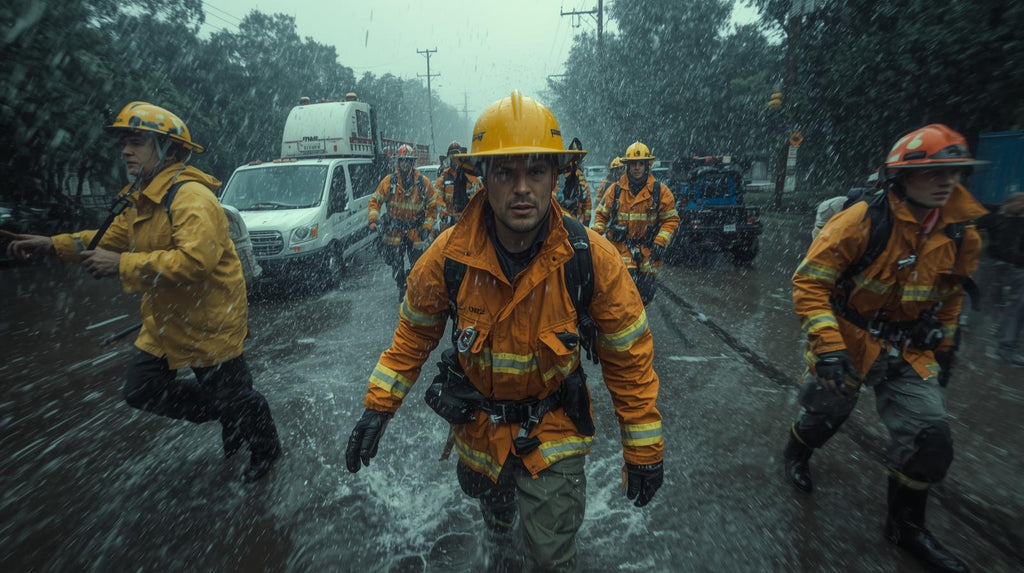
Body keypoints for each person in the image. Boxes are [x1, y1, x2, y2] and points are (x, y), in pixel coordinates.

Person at [345, 90, 664, 571]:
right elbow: (410, 340)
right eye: (505, 172)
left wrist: (642, 446)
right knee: (495, 524)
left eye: (536, 171)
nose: (522, 188)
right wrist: (378, 409)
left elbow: (630, 360)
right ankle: (498, 536)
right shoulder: (447, 259)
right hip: (479, 431)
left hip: (554, 431)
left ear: (556, 176)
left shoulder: (592, 259)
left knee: (550, 557)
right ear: (482, 179)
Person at [6, 101, 281, 483]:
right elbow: (106, 239)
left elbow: (194, 262)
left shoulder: (191, 199)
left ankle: (264, 445)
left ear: (168, 150)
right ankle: (234, 412)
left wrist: (120, 266)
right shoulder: (143, 199)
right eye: (124, 142)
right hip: (165, 322)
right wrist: (51, 244)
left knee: (230, 396)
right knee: (141, 389)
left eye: (136, 142)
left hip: (209, 321)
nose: (125, 151)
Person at [784, 124, 987, 572]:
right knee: (824, 416)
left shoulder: (961, 235)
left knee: (931, 436)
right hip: (846, 343)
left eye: (954, 172)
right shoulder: (862, 220)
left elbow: (951, 297)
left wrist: (947, 347)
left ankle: (906, 526)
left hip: (910, 351)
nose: (946, 181)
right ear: (901, 177)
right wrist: (829, 348)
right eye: (934, 172)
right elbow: (809, 282)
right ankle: (797, 452)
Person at [591, 141, 679, 305]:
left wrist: (660, 241)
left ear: (647, 166)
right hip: (621, 249)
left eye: (641, 163)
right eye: (633, 164)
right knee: (624, 292)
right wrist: (596, 241)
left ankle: (636, 323)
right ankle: (626, 324)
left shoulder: (660, 192)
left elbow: (671, 220)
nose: (637, 167)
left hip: (648, 251)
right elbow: (601, 216)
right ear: (627, 166)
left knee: (645, 294)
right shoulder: (615, 190)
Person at [368, 144, 438, 301]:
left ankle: (413, 288)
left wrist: (427, 227)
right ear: (398, 162)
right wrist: (374, 220)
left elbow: (433, 206)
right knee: (396, 266)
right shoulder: (389, 182)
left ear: (413, 162)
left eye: (408, 161)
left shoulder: (423, 183)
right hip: (395, 232)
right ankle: (401, 286)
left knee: (418, 266)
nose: (405, 164)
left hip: (416, 232)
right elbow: (375, 200)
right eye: (402, 161)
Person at [977, 192, 1024, 366]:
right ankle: (970, 327)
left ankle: (1006, 345)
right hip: (994, 263)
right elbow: (975, 226)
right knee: (982, 298)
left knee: (1017, 306)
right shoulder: (996, 215)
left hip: (1017, 268)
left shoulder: (1014, 218)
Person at [433, 140, 482, 232]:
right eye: (452, 156)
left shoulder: (471, 177)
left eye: (457, 155)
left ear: (462, 157)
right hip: (449, 225)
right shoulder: (443, 178)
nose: (454, 158)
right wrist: (446, 216)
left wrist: (465, 216)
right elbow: (438, 200)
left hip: (468, 224)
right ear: (448, 158)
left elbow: (477, 199)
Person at [554, 137, 593, 226]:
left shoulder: (579, 176)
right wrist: (563, 202)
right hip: (560, 223)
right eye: (574, 157)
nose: (576, 161)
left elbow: (587, 202)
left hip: (577, 225)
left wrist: (586, 223)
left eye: (578, 157)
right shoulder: (561, 174)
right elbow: (552, 194)